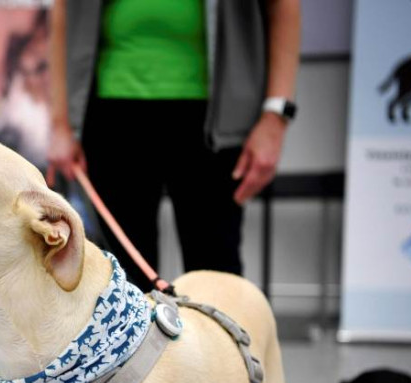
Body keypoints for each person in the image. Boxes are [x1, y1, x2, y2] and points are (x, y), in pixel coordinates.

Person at [48, 0, 300, 290]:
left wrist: (275, 115)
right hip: (112, 113)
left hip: (214, 121)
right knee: (123, 280)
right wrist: (60, 122)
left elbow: (284, 6)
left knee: (216, 277)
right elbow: (63, 8)